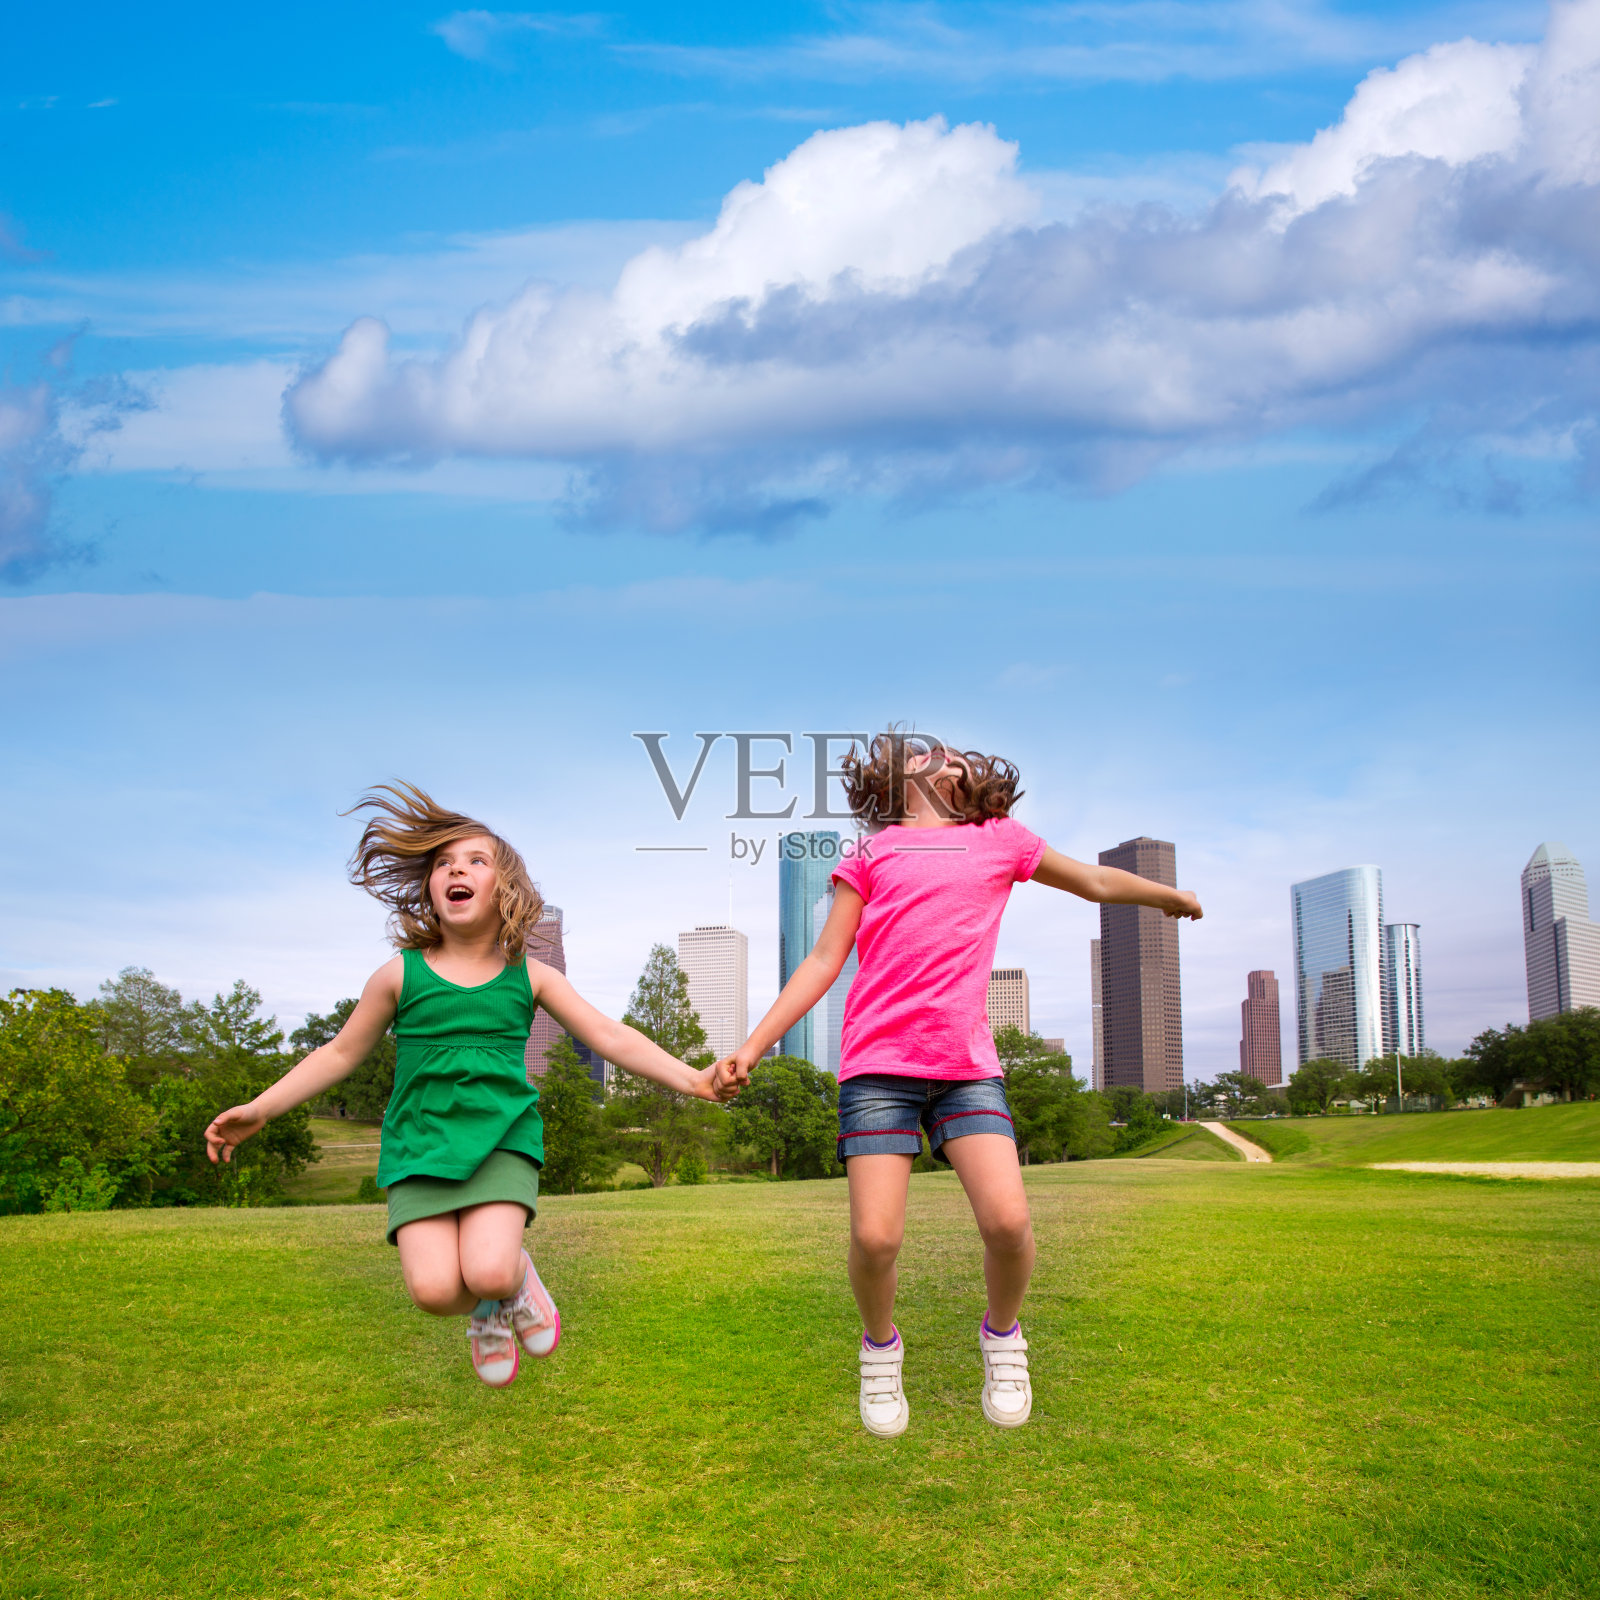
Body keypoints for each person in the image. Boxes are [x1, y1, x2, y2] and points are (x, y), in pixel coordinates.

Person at [719, 734, 1202, 1437]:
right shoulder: (871, 856)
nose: (946, 756)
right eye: (927, 752)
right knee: (876, 1239)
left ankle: (1003, 1336)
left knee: (1008, 1223)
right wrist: (753, 1048)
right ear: (903, 775)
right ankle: (880, 1348)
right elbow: (825, 961)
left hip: (966, 1069)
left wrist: (1170, 898)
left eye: (949, 752)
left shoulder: (1000, 840)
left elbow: (1096, 882)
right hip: (878, 1067)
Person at [204, 783, 736, 1388]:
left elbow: (609, 1036)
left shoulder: (529, 976)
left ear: (504, 888)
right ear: (432, 889)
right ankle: (491, 1303)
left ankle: (507, 1282)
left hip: (501, 1139)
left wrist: (695, 1079)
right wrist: (261, 1109)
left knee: (486, 1269)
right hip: (419, 1145)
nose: (456, 869)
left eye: (476, 861)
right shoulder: (396, 977)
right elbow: (339, 1053)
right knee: (434, 1291)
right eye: (443, 864)